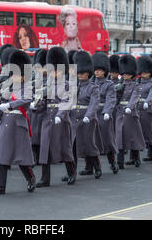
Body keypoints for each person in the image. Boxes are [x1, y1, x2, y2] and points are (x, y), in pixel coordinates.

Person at [0, 50, 36, 195]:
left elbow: (26, 99)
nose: (16, 77)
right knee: (3, 155)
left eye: (19, 75)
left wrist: (10, 105)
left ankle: (30, 177)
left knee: (20, 157)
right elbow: (0, 101)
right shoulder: (8, 86)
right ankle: (0, 186)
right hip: (6, 122)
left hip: (19, 123)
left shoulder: (27, 86)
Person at [32, 47, 76, 187]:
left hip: (61, 121)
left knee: (65, 149)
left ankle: (71, 174)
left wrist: (60, 115)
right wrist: (36, 106)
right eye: (52, 70)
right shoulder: (47, 85)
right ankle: (45, 178)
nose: (54, 72)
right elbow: (43, 103)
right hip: (47, 120)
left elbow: (67, 102)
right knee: (45, 149)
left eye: (56, 70)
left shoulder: (68, 85)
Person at [70, 51, 102, 179]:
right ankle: (72, 173)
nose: (79, 75)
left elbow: (94, 103)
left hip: (87, 120)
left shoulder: (92, 87)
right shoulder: (74, 86)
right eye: (78, 73)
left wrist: (88, 115)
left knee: (89, 145)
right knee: (73, 146)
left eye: (82, 73)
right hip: (74, 119)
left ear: (88, 73)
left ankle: (96, 167)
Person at [115, 54, 145, 169]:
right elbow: (116, 100)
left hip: (131, 114)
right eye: (124, 73)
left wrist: (130, 106)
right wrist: (117, 92)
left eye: (127, 73)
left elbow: (135, 97)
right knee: (119, 138)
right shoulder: (120, 85)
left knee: (133, 137)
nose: (125, 75)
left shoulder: (136, 86)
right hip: (120, 113)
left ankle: (136, 158)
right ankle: (120, 161)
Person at [91, 52, 119, 174]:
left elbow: (111, 99)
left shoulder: (109, 85)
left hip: (103, 115)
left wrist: (107, 111)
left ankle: (112, 162)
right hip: (92, 114)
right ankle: (96, 167)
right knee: (92, 142)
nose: (97, 72)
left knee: (107, 141)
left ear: (104, 71)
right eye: (95, 70)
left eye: (99, 70)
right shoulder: (91, 83)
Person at [136, 56, 152, 164]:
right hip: (136, 110)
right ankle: (134, 157)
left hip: (146, 111)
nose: (144, 74)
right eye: (143, 72)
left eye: (146, 72)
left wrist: (147, 102)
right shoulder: (137, 83)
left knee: (148, 133)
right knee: (134, 134)